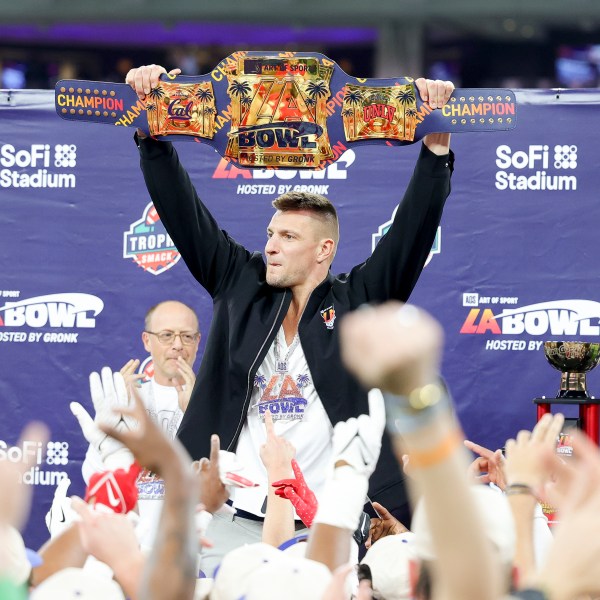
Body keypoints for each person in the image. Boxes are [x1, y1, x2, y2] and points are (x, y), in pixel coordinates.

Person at [126, 63, 454, 566]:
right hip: (229, 515)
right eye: (271, 234)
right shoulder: (239, 282)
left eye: (288, 237)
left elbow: (410, 234)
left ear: (324, 250)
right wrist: (153, 134)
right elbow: (182, 212)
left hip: (327, 522)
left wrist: (434, 148)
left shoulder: (358, 300)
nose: (271, 247)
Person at [75, 299, 200, 549]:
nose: (178, 345)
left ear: (197, 342)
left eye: (187, 336)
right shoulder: (124, 400)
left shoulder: (218, 402)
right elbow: (93, 477)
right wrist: (109, 437)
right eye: (166, 335)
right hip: (128, 543)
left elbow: (225, 488)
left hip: (190, 549)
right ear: (146, 341)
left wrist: (198, 413)